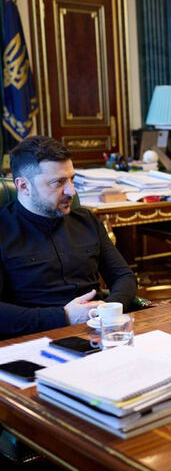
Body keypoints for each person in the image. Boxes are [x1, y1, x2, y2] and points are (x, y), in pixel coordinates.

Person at [0, 136, 137, 338]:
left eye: (72, 179)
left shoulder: (87, 220)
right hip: (34, 338)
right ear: (23, 186)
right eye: (58, 182)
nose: (71, 191)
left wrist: (106, 311)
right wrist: (64, 316)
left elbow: (124, 277)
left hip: (97, 331)